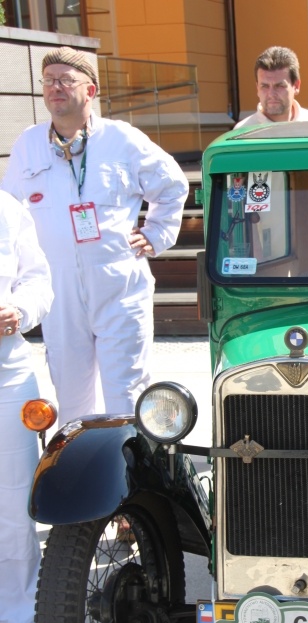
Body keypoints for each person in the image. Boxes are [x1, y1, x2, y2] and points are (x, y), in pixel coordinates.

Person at [1, 46, 189, 426]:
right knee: (71, 399)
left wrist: (155, 232)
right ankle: (81, 476)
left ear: (91, 90)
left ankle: (130, 476)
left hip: (118, 285)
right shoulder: (28, 146)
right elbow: (10, 217)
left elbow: (172, 185)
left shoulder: (123, 140)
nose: (55, 88)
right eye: (48, 81)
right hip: (59, 292)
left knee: (126, 393)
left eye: (66, 80)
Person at [0, 191, 52, 623]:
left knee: (16, 504)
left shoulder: (8, 209)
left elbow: (39, 282)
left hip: (7, 374)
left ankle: (20, 618)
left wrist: (21, 311)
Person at [235, 46, 308, 128]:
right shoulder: (242, 132)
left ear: (296, 86)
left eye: (279, 86)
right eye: (264, 86)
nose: (271, 94)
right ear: (257, 88)